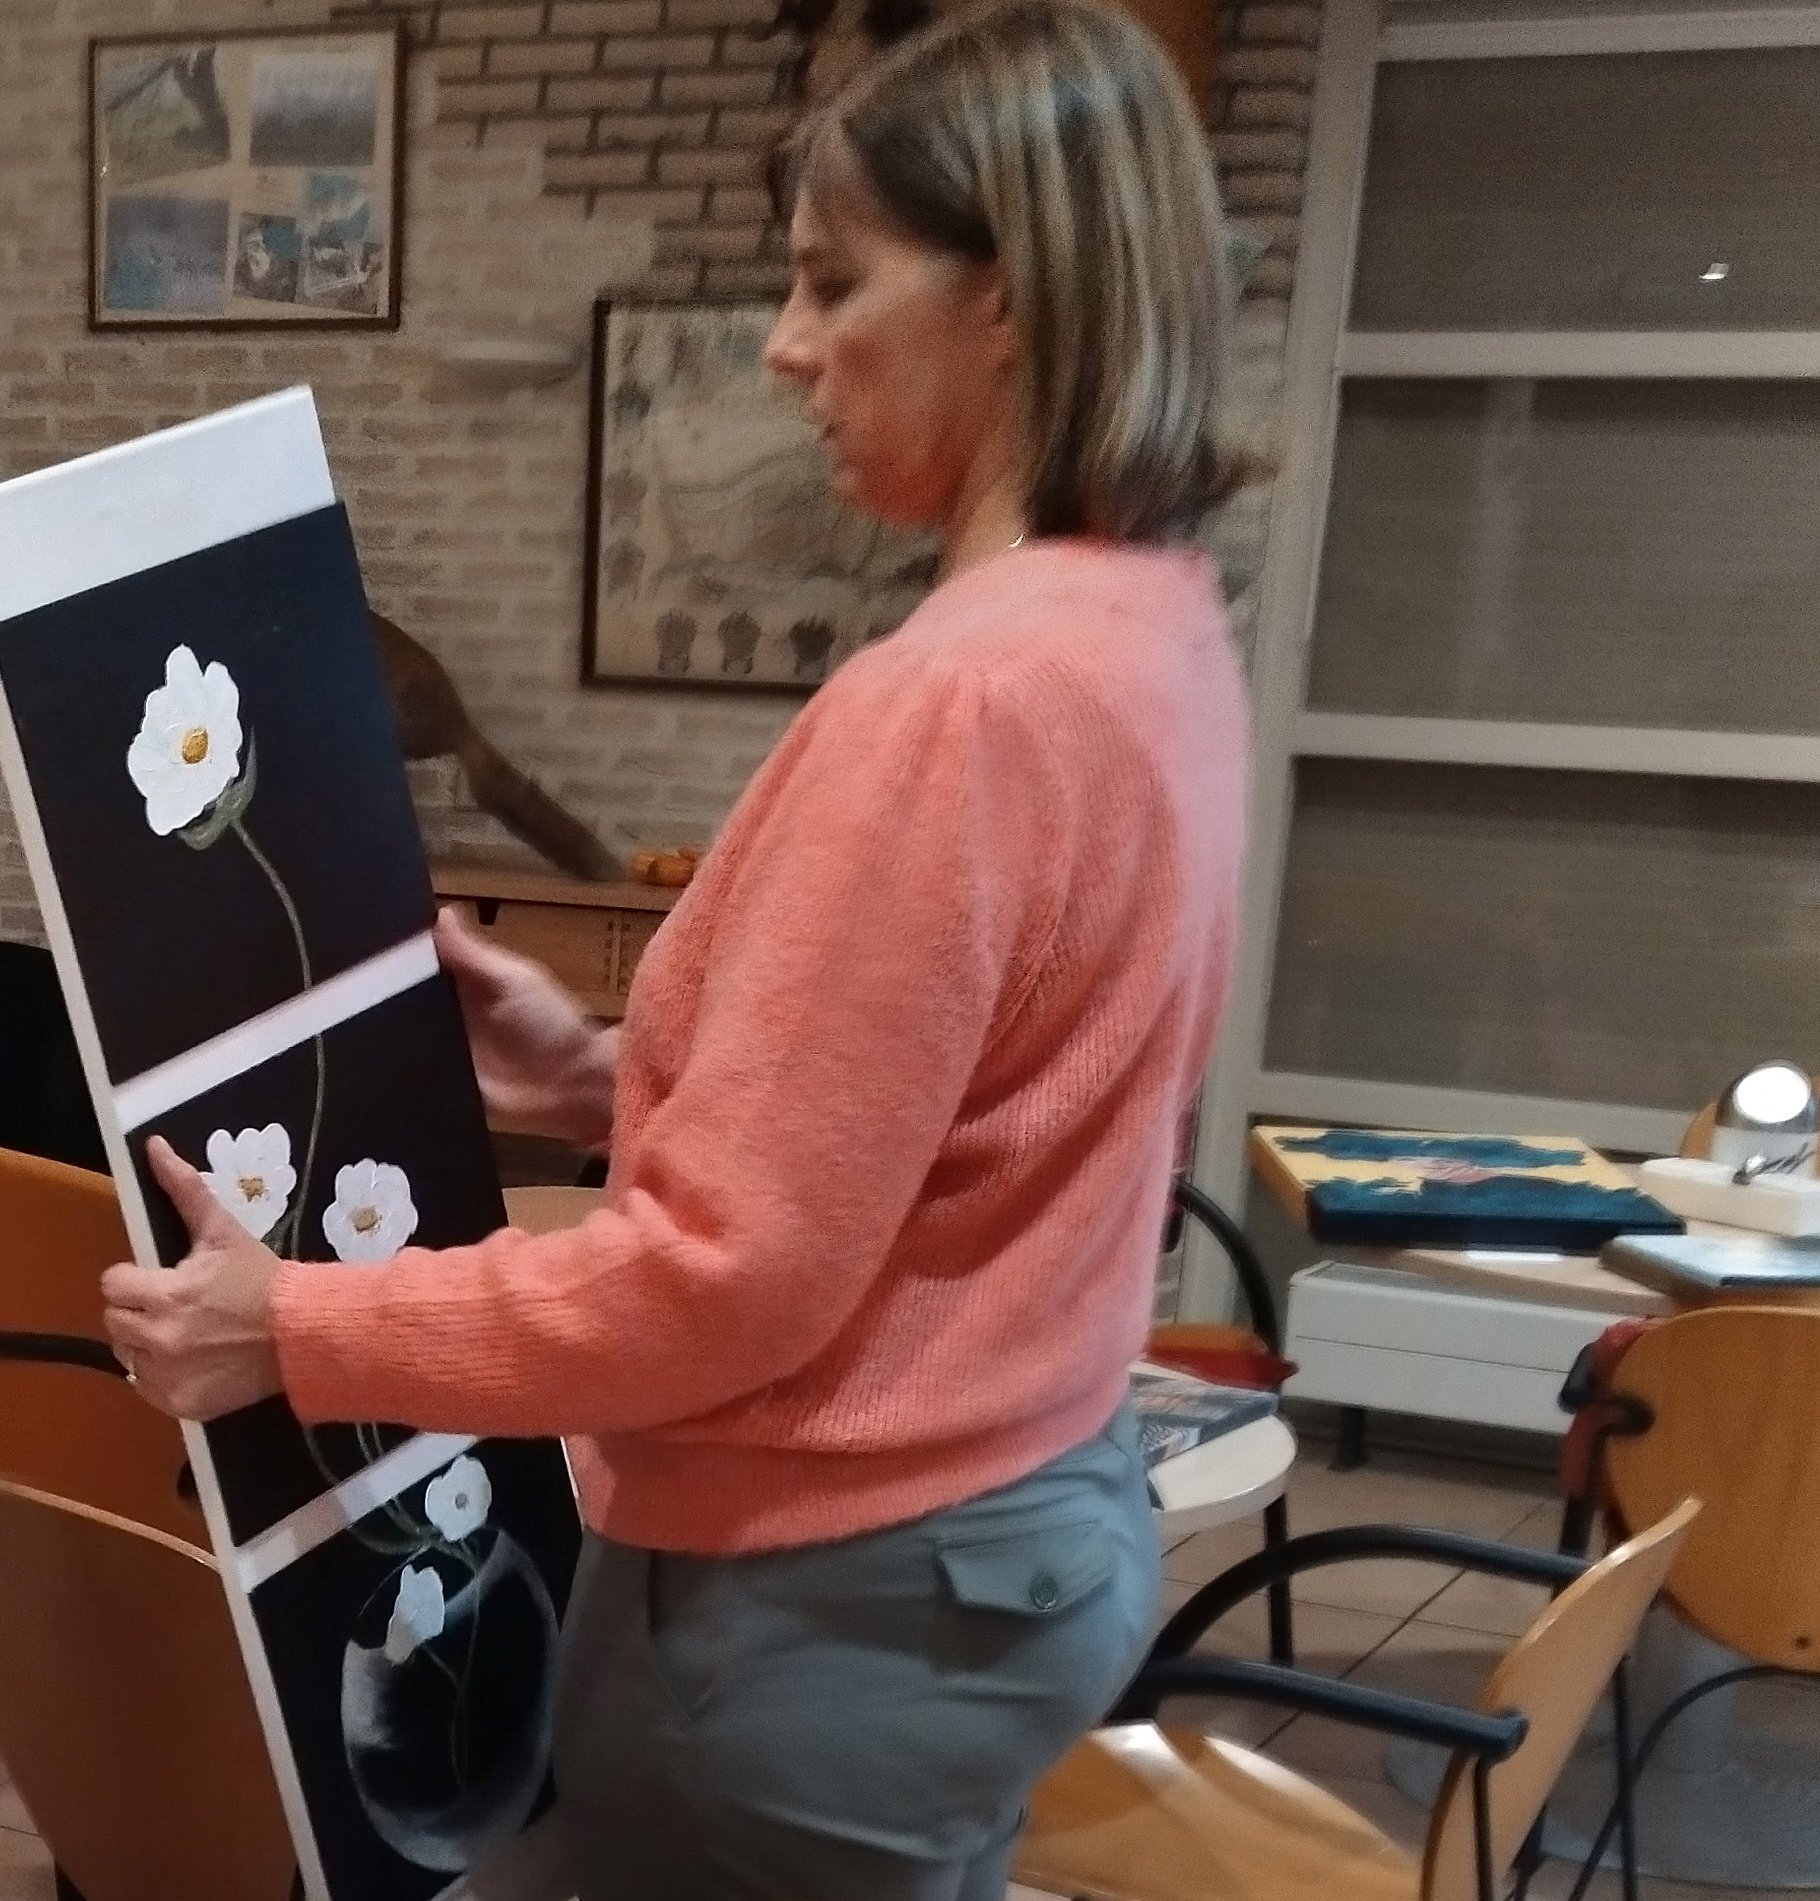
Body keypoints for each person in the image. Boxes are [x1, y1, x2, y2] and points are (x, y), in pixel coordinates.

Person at [101, 1, 1255, 1894]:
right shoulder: (1151, 627)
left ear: (1009, 294)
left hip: (831, 1601)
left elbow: (726, 1281)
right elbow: (971, 1103)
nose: (785, 344)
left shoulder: (954, 705)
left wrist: (293, 1324)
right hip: (1016, 1541)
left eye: (833, 281)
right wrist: (600, 1073)